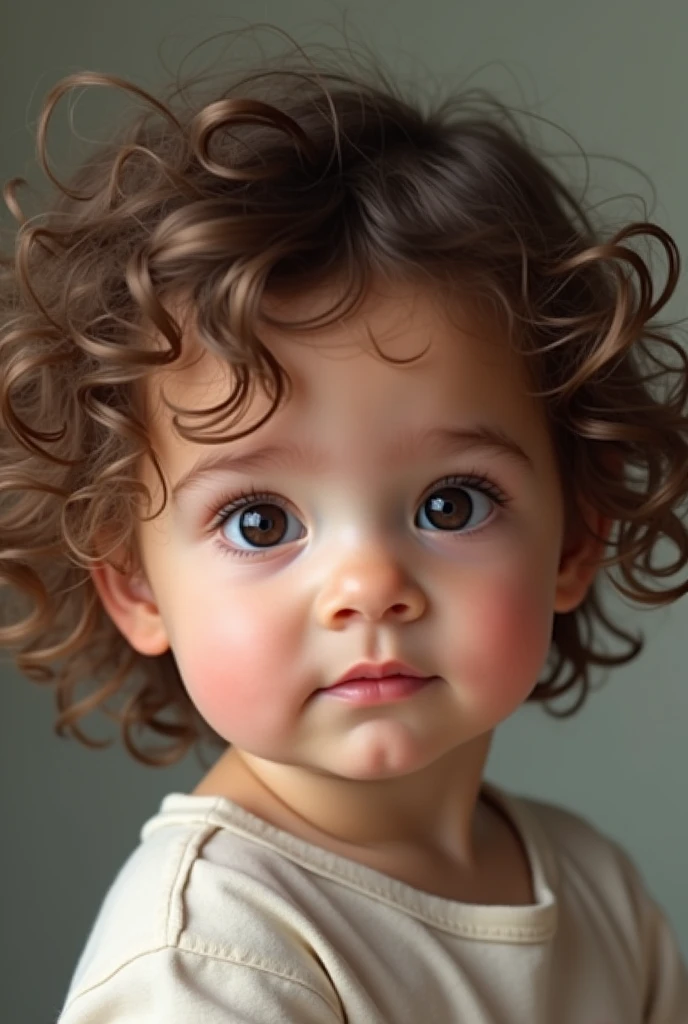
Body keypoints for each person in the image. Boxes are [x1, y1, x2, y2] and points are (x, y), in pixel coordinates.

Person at [2, 33, 687, 1023]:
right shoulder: (207, 958)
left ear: (576, 536)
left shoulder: (594, 887)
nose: (368, 583)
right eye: (259, 518)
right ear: (137, 585)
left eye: (450, 502)